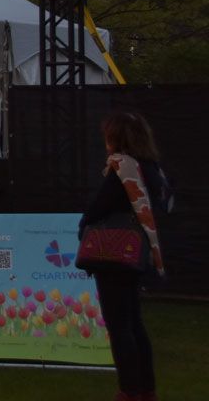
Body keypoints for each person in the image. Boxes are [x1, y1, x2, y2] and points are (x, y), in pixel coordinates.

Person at [79, 112, 168, 401]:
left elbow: (98, 207)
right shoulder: (152, 169)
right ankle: (145, 389)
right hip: (137, 253)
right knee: (134, 323)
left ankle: (128, 390)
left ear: (116, 138)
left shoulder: (122, 167)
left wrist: (85, 222)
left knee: (119, 327)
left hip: (114, 255)